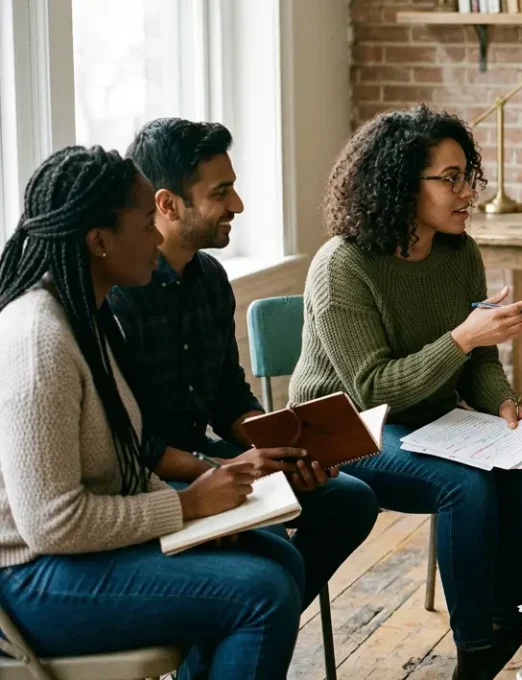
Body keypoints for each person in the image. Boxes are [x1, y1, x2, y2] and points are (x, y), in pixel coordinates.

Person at [0, 145, 301, 678]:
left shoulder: (86, 319)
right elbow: (50, 524)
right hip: (30, 579)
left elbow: (121, 468)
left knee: (280, 557)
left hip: (74, 557)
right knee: (262, 594)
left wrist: (207, 510)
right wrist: (187, 509)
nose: (159, 238)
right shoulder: (39, 340)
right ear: (98, 242)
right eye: (144, 225)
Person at [288, 105, 522, 680]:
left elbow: (478, 361)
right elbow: (374, 388)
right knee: (466, 487)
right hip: (346, 429)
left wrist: (503, 403)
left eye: (467, 176)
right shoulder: (343, 265)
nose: (466, 193)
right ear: (403, 185)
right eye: (449, 178)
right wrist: (463, 336)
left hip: (429, 424)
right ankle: (477, 655)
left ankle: (509, 631)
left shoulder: (460, 252)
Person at [108, 118, 379, 612]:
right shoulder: (118, 298)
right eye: (222, 192)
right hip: (151, 478)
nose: (238, 205)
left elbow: (228, 395)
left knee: (351, 500)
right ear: (167, 204)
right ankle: (243, 623)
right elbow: (129, 444)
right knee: (272, 555)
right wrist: (222, 468)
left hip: (204, 456)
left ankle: (249, 629)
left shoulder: (210, 277)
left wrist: (277, 444)